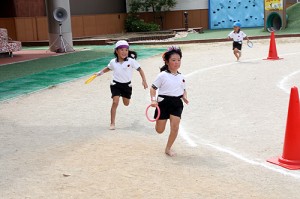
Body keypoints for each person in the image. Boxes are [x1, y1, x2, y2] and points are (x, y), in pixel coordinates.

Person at [95, 40, 148, 130]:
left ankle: (125, 97)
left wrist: (144, 80)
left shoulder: (131, 61)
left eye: (126, 50)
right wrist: (100, 73)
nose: (124, 52)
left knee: (126, 103)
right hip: (115, 84)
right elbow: (108, 68)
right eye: (122, 50)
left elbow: (140, 70)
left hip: (127, 85)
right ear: (117, 51)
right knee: (115, 102)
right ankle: (112, 123)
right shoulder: (113, 62)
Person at [150, 46, 189, 157]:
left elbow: (184, 90)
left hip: (177, 103)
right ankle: (160, 123)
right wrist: (153, 100)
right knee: (159, 130)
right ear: (167, 62)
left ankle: (168, 148)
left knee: (175, 127)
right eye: (173, 60)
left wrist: (184, 96)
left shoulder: (182, 76)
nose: (176, 62)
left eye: (178, 60)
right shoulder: (162, 75)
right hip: (163, 103)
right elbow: (153, 88)